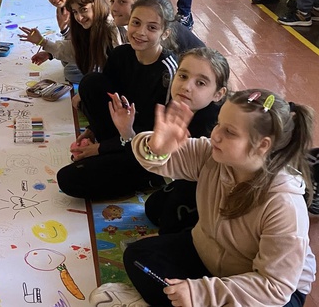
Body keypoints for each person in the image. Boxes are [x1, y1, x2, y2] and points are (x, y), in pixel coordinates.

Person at [120, 89, 315, 307]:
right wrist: (156, 147)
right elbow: (163, 158)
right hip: (209, 257)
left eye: (230, 132)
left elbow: (274, 287)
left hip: (268, 289)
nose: (216, 134)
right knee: (137, 256)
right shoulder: (212, 154)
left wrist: (200, 293)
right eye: (218, 123)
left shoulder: (284, 205)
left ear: (263, 145)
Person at [56, 0, 178, 200]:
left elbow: (157, 134)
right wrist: (93, 130)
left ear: (165, 33)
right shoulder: (121, 54)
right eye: (136, 23)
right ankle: (111, 151)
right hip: (123, 131)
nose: (140, 32)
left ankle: (148, 178)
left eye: (152, 27)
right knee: (90, 82)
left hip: (147, 147)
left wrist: (102, 148)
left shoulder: (168, 72)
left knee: (68, 179)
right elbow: (107, 97)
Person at [143, 47, 229, 234]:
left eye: (200, 83)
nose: (186, 86)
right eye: (182, 76)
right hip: (177, 176)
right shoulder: (178, 105)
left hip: (211, 194)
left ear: (218, 94)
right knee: (153, 208)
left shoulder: (213, 128)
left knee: (172, 215)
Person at [19, 0, 121, 81]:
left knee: (74, 73)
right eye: (75, 12)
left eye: (84, 9)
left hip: (112, 76)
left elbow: (117, 71)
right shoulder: (84, 24)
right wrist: (44, 45)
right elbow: (76, 48)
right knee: (67, 62)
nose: (79, 17)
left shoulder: (111, 31)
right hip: (96, 61)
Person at [109, 0, 205, 52]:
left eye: (122, 1)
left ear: (141, 3)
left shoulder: (158, 35)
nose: (114, 8)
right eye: (112, 0)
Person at [18, 0, 81, 83]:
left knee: (70, 71)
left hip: (97, 56)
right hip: (83, 50)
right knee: (65, 61)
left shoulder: (80, 10)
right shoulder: (63, 9)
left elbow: (79, 48)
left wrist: (43, 42)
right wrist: (50, 54)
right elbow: (73, 42)